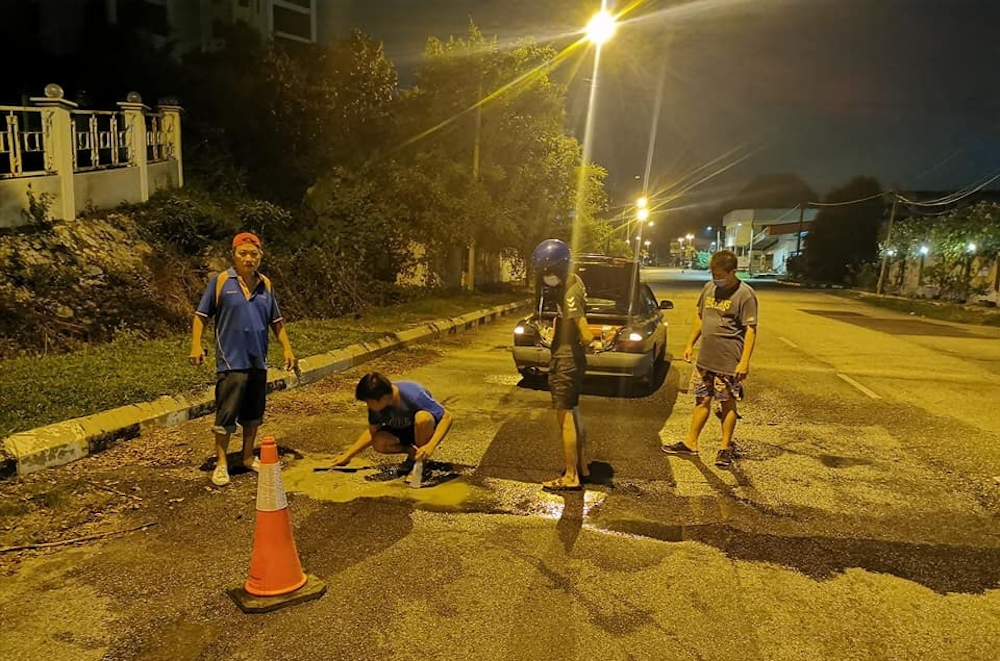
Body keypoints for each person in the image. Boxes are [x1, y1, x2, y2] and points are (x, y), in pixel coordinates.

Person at [189, 232, 296, 486]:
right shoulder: (221, 282)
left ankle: (248, 457)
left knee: (253, 414)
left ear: (260, 256)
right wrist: (196, 345)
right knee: (226, 414)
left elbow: (276, 321)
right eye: (243, 254)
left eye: (253, 254)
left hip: (258, 361)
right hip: (231, 362)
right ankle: (222, 463)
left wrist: (288, 349)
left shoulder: (266, 285)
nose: (248, 259)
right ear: (234, 255)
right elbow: (201, 316)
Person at [662, 249, 757, 468]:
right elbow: (700, 317)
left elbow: (750, 330)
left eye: (721, 274)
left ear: (733, 271)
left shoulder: (745, 294)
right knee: (702, 400)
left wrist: (744, 361)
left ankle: (724, 448)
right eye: (714, 273)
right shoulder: (709, 288)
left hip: (729, 360)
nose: (717, 278)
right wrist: (689, 344)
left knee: (727, 403)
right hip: (705, 359)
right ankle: (690, 443)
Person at [533, 239, 597, 492]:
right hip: (566, 354)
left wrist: (590, 340)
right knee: (573, 411)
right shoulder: (569, 283)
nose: (546, 277)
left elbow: (581, 325)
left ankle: (571, 476)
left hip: (567, 359)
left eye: (548, 271)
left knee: (565, 416)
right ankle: (582, 466)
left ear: (559, 267)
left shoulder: (570, 288)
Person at [330, 373, 452, 479]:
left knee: (423, 417)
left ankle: (421, 465)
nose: (367, 405)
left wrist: (430, 446)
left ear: (383, 398)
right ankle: (413, 454)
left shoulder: (413, 394)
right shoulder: (376, 404)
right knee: (378, 441)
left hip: (423, 430)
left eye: (368, 401)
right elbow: (372, 431)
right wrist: (348, 456)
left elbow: (446, 417)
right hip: (402, 431)